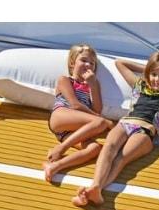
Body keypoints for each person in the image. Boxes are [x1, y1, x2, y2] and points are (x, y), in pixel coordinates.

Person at [72, 51, 159, 207]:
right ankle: (94, 187)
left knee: (121, 158)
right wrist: (148, 68)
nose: (157, 79)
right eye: (154, 74)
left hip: (147, 130)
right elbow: (120, 63)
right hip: (126, 122)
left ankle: (96, 190)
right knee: (108, 148)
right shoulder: (139, 84)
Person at [43, 44, 114, 183]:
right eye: (84, 60)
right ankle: (61, 149)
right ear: (72, 62)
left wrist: (93, 85)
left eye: (92, 63)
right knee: (99, 122)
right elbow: (75, 105)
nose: (88, 65)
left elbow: (97, 110)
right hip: (61, 115)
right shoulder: (64, 80)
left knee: (95, 149)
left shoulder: (94, 84)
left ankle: (54, 166)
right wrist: (103, 121)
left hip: (73, 132)